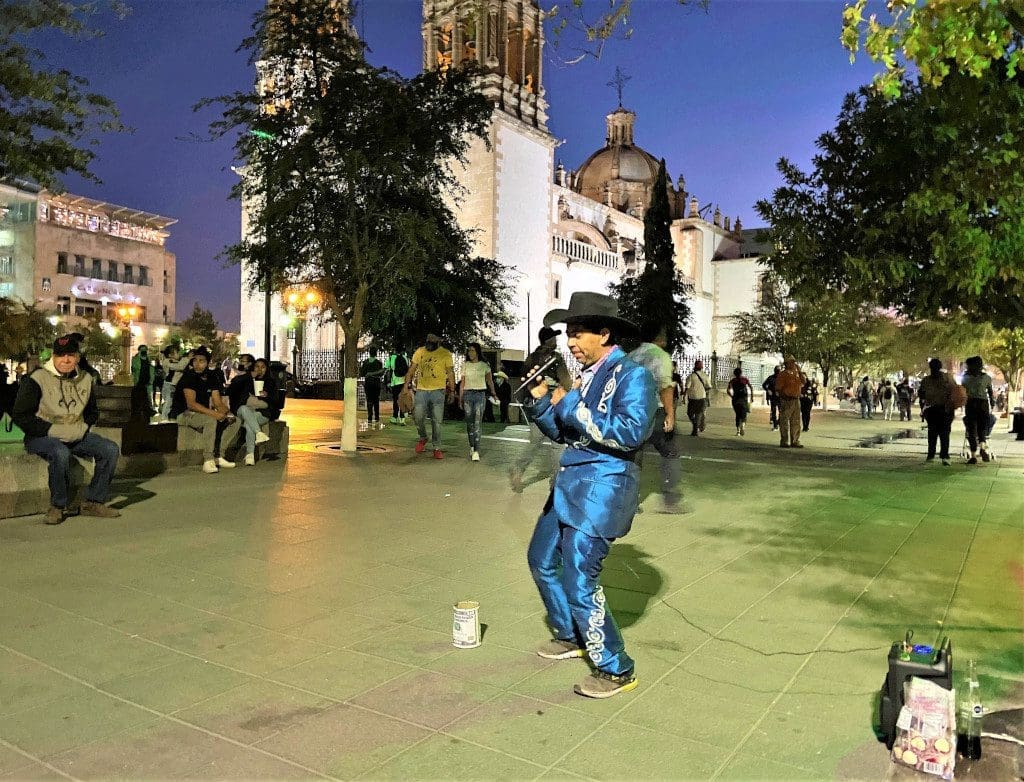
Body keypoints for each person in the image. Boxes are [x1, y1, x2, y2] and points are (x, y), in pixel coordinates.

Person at [522, 291, 657, 699]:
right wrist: (543, 404)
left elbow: (630, 432)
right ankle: (569, 633)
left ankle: (615, 667)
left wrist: (572, 401)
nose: (571, 343)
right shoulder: (586, 376)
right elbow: (566, 432)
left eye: (578, 333)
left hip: (602, 490)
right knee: (541, 559)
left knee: (581, 578)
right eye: (569, 334)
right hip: (569, 486)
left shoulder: (634, 375)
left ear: (605, 332)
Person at [12, 334, 121, 524]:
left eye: (70, 355)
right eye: (61, 355)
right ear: (53, 356)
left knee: (110, 449)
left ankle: (94, 501)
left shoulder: (86, 379)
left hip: (76, 434)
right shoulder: (36, 379)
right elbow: (22, 415)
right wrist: (52, 430)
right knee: (60, 453)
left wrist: (83, 428)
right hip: (42, 436)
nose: (66, 360)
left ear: (77, 356)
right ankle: (58, 506)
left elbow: (91, 412)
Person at [511, 327, 573, 491]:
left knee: (534, 442)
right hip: (552, 406)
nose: (556, 341)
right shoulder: (556, 358)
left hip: (536, 407)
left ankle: (518, 469)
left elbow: (525, 384)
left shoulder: (531, 358)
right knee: (558, 445)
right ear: (548, 340)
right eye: (554, 338)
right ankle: (555, 485)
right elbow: (566, 381)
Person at [628, 325, 682, 511]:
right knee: (670, 451)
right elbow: (665, 387)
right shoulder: (661, 356)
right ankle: (670, 497)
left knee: (634, 455)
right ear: (659, 336)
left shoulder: (631, 356)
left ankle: (630, 501)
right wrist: (670, 413)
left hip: (633, 411)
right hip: (655, 411)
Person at [169, 346, 241, 473]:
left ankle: (219, 455)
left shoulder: (212, 376)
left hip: (201, 412)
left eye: (201, 361)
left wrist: (227, 413)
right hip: (184, 413)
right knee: (210, 421)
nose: (197, 364)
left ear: (207, 362)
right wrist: (214, 414)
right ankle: (208, 460)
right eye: (195, 360)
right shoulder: (188, 377)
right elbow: (191, 404)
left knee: (236, 421)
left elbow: (217, 401)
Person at [404, 333, 456, 459]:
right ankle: (423, 437)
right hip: (421, 391)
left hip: (438, 392)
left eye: (432, 341)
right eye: (428, 340)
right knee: (418, 416)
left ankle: (437, 447)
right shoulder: (420, 351)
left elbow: (450, 372)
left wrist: (453, 391)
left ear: (438, 341)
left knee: (437, 421)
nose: (429, 343)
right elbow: (412, 369)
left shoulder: (445, 354)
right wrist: (406, 385)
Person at [227, 358, 281, 465]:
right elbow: (233, 386)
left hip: (261, 413)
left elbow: (275, 401)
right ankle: (259, 433)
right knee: (243, 408)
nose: (259, 369)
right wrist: (249, 376)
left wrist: (266, 395)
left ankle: (250, 455)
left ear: (266, 369)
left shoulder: (270, 382)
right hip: (243, 412)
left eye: (263, 367)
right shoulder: (246, 379)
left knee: (248, 424)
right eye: (257, 366)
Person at [459, 342, 498, 461]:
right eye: (469, 350)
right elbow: (462, 383)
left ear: (477, 352)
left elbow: (490, 381)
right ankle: (471, 446)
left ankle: (476, 450)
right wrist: (460, 398)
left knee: (477, 422)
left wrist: (494, 394)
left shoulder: (484, 365)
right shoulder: (465, 365)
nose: (470, 353)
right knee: (469, 423)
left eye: (472, 350)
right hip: (468, 394)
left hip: (480, 394)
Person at [918, 358, 957, 466]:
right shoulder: (948, 378)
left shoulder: (926, 380)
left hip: (933, 410)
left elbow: (921, 394)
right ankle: (944, 455)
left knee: (932, 433)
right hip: (945, 409)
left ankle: (931, 455)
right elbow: (955, 391)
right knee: (944, 433)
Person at [961, 356, 995, 465]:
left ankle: (973, 456)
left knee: (971, 430)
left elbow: (962, 392)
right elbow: (990, 392)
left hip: (971, 404)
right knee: (982, 429)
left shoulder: (965, 377)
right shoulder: (987, 378)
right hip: (983, 404)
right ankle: (983, 448)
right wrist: (992, 403)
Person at [776, 355, 804, 448]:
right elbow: (778, 389)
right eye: (791, 362)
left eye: (794, 362)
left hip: (796, 400)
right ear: (786, 363)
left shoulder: (796, 374)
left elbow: (804, 382)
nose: (793, 363)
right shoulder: (783, 374)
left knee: (796, 421)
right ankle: (784, 441)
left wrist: (799, 371)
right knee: (784, 421)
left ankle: (795, 440)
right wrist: (784, 397)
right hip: (787, 400)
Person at [683, 359, 711, 436]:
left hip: (692, 398)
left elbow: (687, 387)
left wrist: (684, 396)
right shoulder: (705, 376)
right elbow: (709, 387)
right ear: (702, 367)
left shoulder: (690, 376)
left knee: (690, 414)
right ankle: (697, 426)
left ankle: (695, 430)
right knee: (698, 415)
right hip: (701, 398)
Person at [360, 349, 386, 429]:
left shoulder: (365, 362)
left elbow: (362, 373)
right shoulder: (378, 363)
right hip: (376, 384)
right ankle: (377, 417)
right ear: (376, 354)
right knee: (376, 400)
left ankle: (370, 417)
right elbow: (381, 373)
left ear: (369, 353)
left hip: (368, 384)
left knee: (369, 400)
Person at [386, 347, 409, 425]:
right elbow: (408, 371)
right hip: (403, 382)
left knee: (395, 400)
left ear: (395, 349)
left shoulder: (391, 358)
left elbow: (388, 370)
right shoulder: (406, 358)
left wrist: (388, 382)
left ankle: (395, 417)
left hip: (395, 382)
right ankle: (402, 419)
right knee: (402, 400)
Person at [727, 366, 752, 436]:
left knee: (738, 415)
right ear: (741, 373)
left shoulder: (732, 381)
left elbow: (728, 390)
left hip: (735, 400)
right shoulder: (745, 379)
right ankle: (743, 426)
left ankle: (738, 431)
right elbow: (751, 387)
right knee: (744, 414)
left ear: (734, 373)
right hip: (744, 399)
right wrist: (752, 397)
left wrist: (732, 396)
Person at [130, 344, 154, 416]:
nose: (144, 351)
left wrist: (151, 379)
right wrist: (139, 356)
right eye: (142, 350)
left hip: (147, 382)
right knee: (139, 398)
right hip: (139, 382)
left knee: (149, 398)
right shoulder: (135, 359)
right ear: (139, 351)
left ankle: (148, 412)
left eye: (145, 350)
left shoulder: (149, 359)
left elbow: (151, 369)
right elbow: (134, 367)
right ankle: (139, 413)